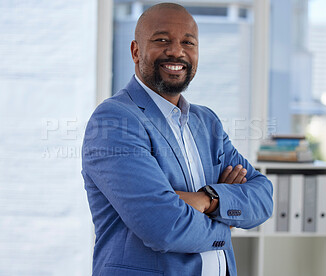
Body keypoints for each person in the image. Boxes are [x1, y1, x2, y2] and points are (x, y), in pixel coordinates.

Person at [82, 3, 273, 276]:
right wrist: (227, 220)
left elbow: (263, 196)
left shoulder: (206, 122)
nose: (176, 51)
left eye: (188, 42)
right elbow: (164, 226)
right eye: (162, 40)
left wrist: (209, 200)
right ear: (136, 51)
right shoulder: (115, 121)